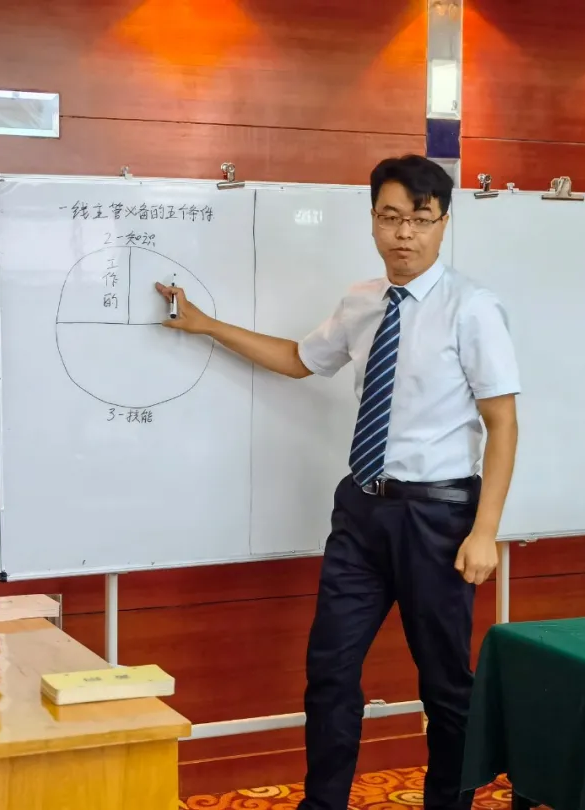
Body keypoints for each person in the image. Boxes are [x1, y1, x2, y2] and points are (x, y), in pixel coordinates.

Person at [155, 154, 520, 810]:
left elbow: (503, 424)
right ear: (373, 221)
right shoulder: (361, 301)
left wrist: (484, 531)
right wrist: (207, 325)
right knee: (329, 670)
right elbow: (300, 360)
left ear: (443, 223)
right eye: (390, 217)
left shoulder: (473, 308)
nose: (404, 234)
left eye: (420, 220)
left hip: (439, 518)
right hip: (361, 512)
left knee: (444, 686)